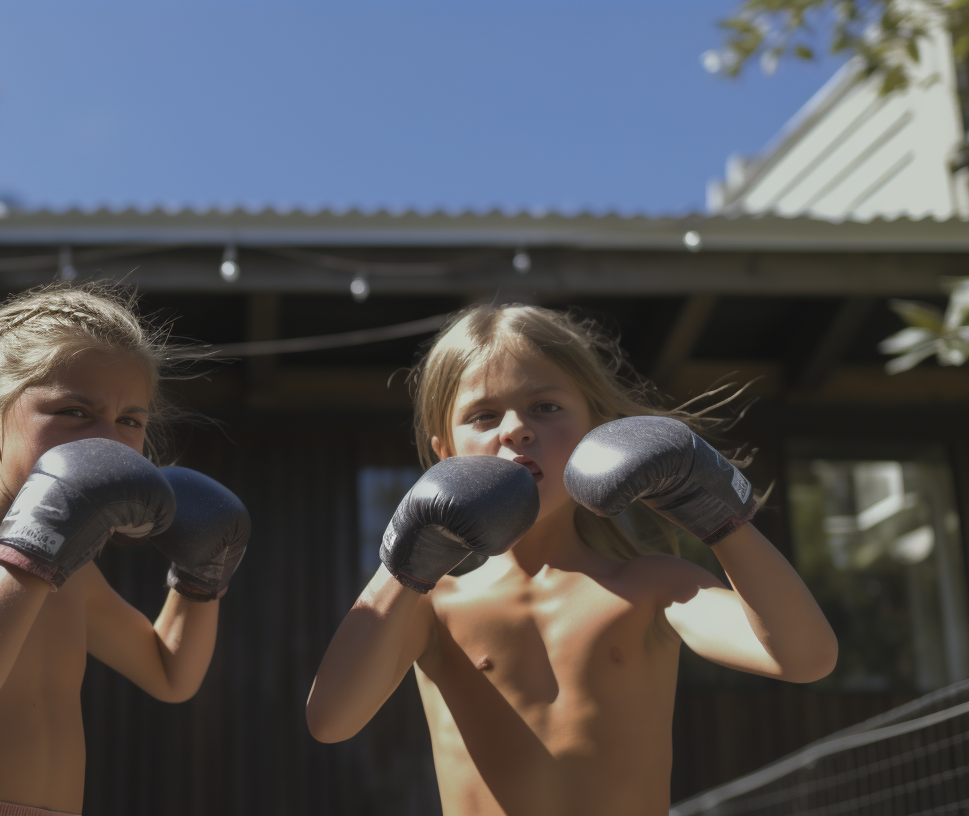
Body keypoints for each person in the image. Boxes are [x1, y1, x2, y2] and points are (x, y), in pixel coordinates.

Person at [306, 303, 837, 816]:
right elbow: (331, 720)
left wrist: (720, 515)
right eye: (484, 415)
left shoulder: (653, 587)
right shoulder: (434, 606)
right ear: (446, 453)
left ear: (597, 433)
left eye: (546, 406)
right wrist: (404, 564)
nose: (515, 428)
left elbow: (805, 658)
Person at [0, 282, 248, 816]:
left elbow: (170, 672)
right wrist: (33, 557)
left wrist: (201, 580)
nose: (107, 439)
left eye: (130, 420)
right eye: (75, 410)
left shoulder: (73, 574)